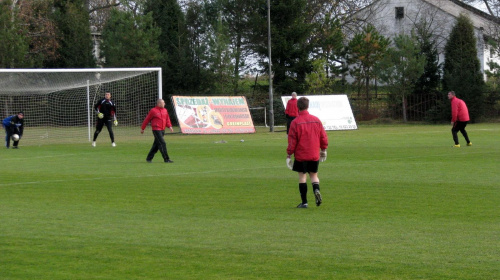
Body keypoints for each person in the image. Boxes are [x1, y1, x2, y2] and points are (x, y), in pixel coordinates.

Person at [287, 97, 328, 208]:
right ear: (308, 106)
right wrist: (324, 149)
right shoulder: (316, 120)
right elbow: (323, 136)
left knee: (302, 177)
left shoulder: (295, 122)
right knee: (314, 176)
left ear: (297, 107)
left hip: (301, 155)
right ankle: (316, 190)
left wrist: (289, 154)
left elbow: (292, 140)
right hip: (314, 154)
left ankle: (304, 202)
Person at [141, 99, 174, 163]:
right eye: (163, 103)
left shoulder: (165, 110)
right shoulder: (153, 111)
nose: (164, 104)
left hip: (162, 130)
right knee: (162, 143)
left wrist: (170, 126)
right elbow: (147, 119)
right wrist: (143, 128)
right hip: (156, 129)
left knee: (156, 145)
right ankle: (166, 159)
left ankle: (149, 158)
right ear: (159, 104)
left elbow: (167, 119)